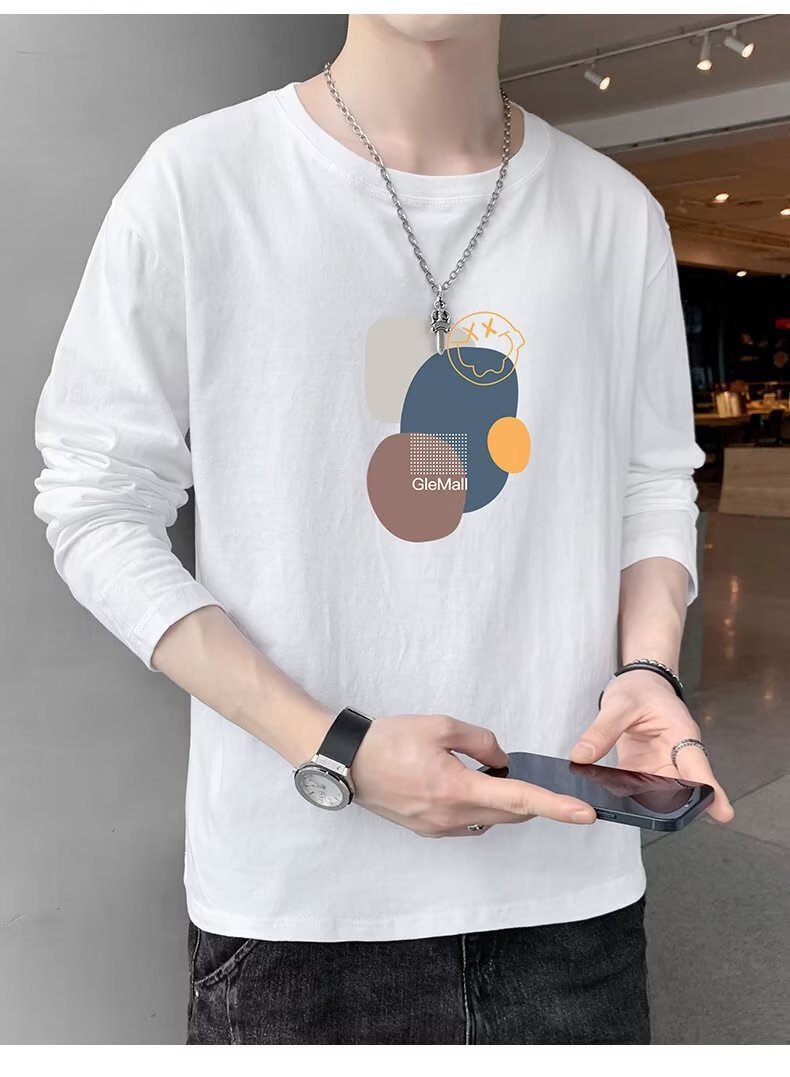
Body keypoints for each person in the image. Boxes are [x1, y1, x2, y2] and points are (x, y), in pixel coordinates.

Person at [33, 13, 734, 1045]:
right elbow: (96, 499)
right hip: (296, 899)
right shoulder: (200, 180)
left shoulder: (613, 212)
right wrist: (337, 750)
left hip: (568, 883)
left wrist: (648, 667)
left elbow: (652, 481)